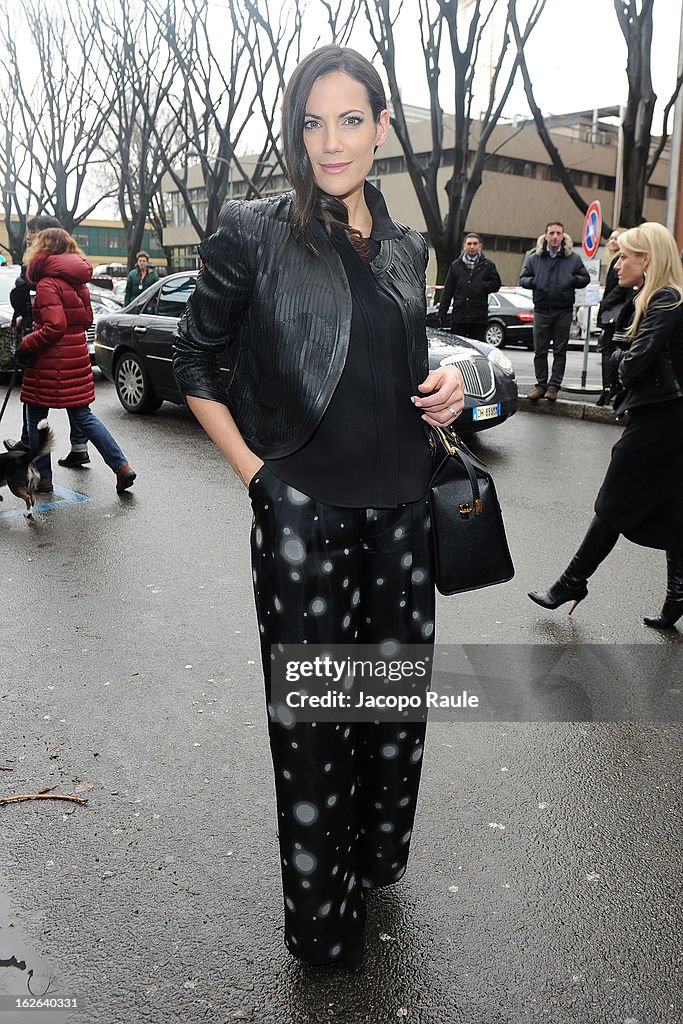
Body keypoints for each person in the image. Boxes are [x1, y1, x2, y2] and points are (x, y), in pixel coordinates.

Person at [173, 45, 465, 967]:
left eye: (349, 119)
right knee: (313, 729)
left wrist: (452, 381)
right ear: (295, 130)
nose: (330, 141)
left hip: (406, 516)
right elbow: (194, 362)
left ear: (383, 126)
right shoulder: (252, 230)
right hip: (305, 516)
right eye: (311, 121)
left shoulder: (409, 245)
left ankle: (376, 864)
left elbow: (400, 362)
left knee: (391, 714)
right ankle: (323, 932)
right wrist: (259, 479)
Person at [528, 222, 683, 629]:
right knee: (674, 506)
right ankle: (678, 597)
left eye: (626, 256)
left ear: (646, 260)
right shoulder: (655, 298)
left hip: (662, 417)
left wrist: (614, 354)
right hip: (665, 414)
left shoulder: (665, 300)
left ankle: (571, 583)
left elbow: (630, 366)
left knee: (613, 500)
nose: (617, 264)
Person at [15, 227, 136, 493]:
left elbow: (54, 327)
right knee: (84, 416)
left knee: (35, 415)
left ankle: (43, 478)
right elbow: (87, 320)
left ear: (44, 249)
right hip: (76, 357)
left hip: (48, 362)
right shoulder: (78, 281)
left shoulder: (47, 282)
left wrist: (27, 344)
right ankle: (121, 466)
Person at [4, 214, 90, 466]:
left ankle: (39, 464)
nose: (29, 236)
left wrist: (30, 339)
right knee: (76, 402)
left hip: (47, 340)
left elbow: (55, 322)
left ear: (48, 236)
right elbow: (85, 317)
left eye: (34, 232)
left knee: (36, 399)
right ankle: (79, 447)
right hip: (67, 342)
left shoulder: (47, 269)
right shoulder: (74, 267)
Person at [519, 221, 590, 401]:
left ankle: (553, 387)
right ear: (546, 235)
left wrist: (570, 280)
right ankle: (541, 385)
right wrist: (536, 282)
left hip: (563, 310)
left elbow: (585, 278)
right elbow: (523, 279)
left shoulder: (572, 258)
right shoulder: (534, 257)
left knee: (560, 351)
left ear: (563, 236)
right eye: (552, 233)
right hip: (542, 309)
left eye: (559, 233)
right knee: (540, 351)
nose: (555, 236)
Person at [437, 232, 501, 341]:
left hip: (478, 317)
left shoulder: (488, 265)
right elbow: (448, 290)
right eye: (469, 244)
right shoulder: (456, 266)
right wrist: (442, 312)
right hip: (459, 316)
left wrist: (482, 285)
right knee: (458, 348)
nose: (472, 247)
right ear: (464, 246)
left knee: (477, 350)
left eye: (475, 244)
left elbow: (496, 284)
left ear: (480, 246)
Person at [595, 228, 629, 406]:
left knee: (609, 351)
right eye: (611, 238)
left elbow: (620, 289)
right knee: (610, 352)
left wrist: (605, 303)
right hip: (614, 312)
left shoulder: (621, 260)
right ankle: (610, 387)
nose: (612, 241)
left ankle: (609, 387)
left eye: (617, 238)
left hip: (615, 314)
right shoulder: (615, 261)